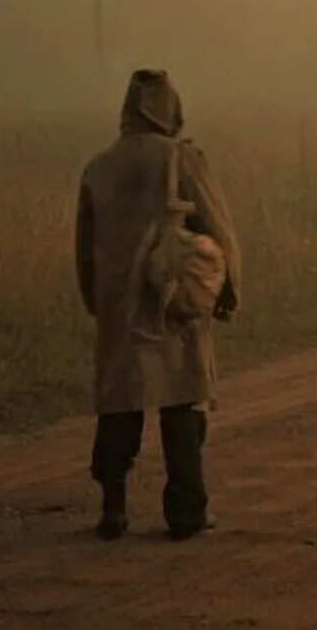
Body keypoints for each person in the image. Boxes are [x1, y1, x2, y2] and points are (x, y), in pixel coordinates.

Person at [75, 69, 241, 541]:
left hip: (118, 305)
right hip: (174, 305)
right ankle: (187, 512)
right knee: (182, 403)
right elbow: (220, 230)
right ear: (172, 109)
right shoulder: (183, 159)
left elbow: (84, 247)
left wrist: (96, 300)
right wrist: (230, 293)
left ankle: (113, 508)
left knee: (119, 403)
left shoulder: (98, 167)